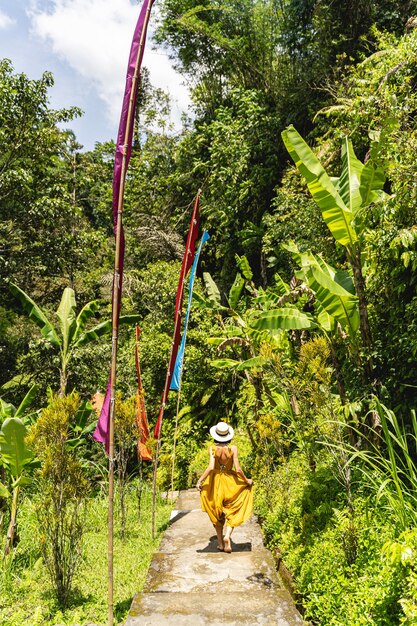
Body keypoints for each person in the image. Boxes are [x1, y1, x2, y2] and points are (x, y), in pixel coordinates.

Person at [197, 421, 253, 553]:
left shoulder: (212, 449)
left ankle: (221, 544)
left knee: (216, 512)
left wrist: (200, 480)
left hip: (215, 483)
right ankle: (227, 535)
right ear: (228, 435)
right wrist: (246, 480)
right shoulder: (233, 449)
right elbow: (238, 469)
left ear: (216, 435)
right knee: (232, 510)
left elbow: (211, 467)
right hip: (230, 482)